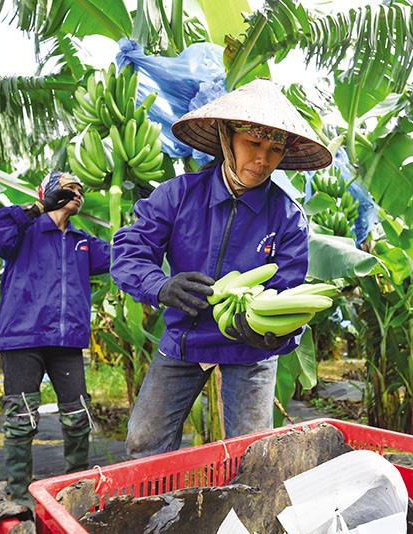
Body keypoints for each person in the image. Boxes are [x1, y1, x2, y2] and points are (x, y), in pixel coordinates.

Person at [110, 78, 332, 459]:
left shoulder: (288, 218)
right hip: (184, 339)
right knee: (143, 441)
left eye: (275, 150)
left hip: (250, 349)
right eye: (254, 144)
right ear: (227, 137)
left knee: (254, 453)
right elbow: (129, 251)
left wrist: (277, 336)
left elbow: (289, 291)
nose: (263, 160)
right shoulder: (177, 196)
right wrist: (160, 286)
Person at [0, 171, 111, 507]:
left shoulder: (82, 241)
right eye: (70, 188)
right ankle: (20, 495)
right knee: (22, 418)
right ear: (49, 191)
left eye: (81, 190)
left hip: (67, 341)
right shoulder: (23, 232)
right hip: (23, 337)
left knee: (78, 415)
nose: (78, 193)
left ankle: (76, 488)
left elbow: (121, 256)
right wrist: (37, 208)